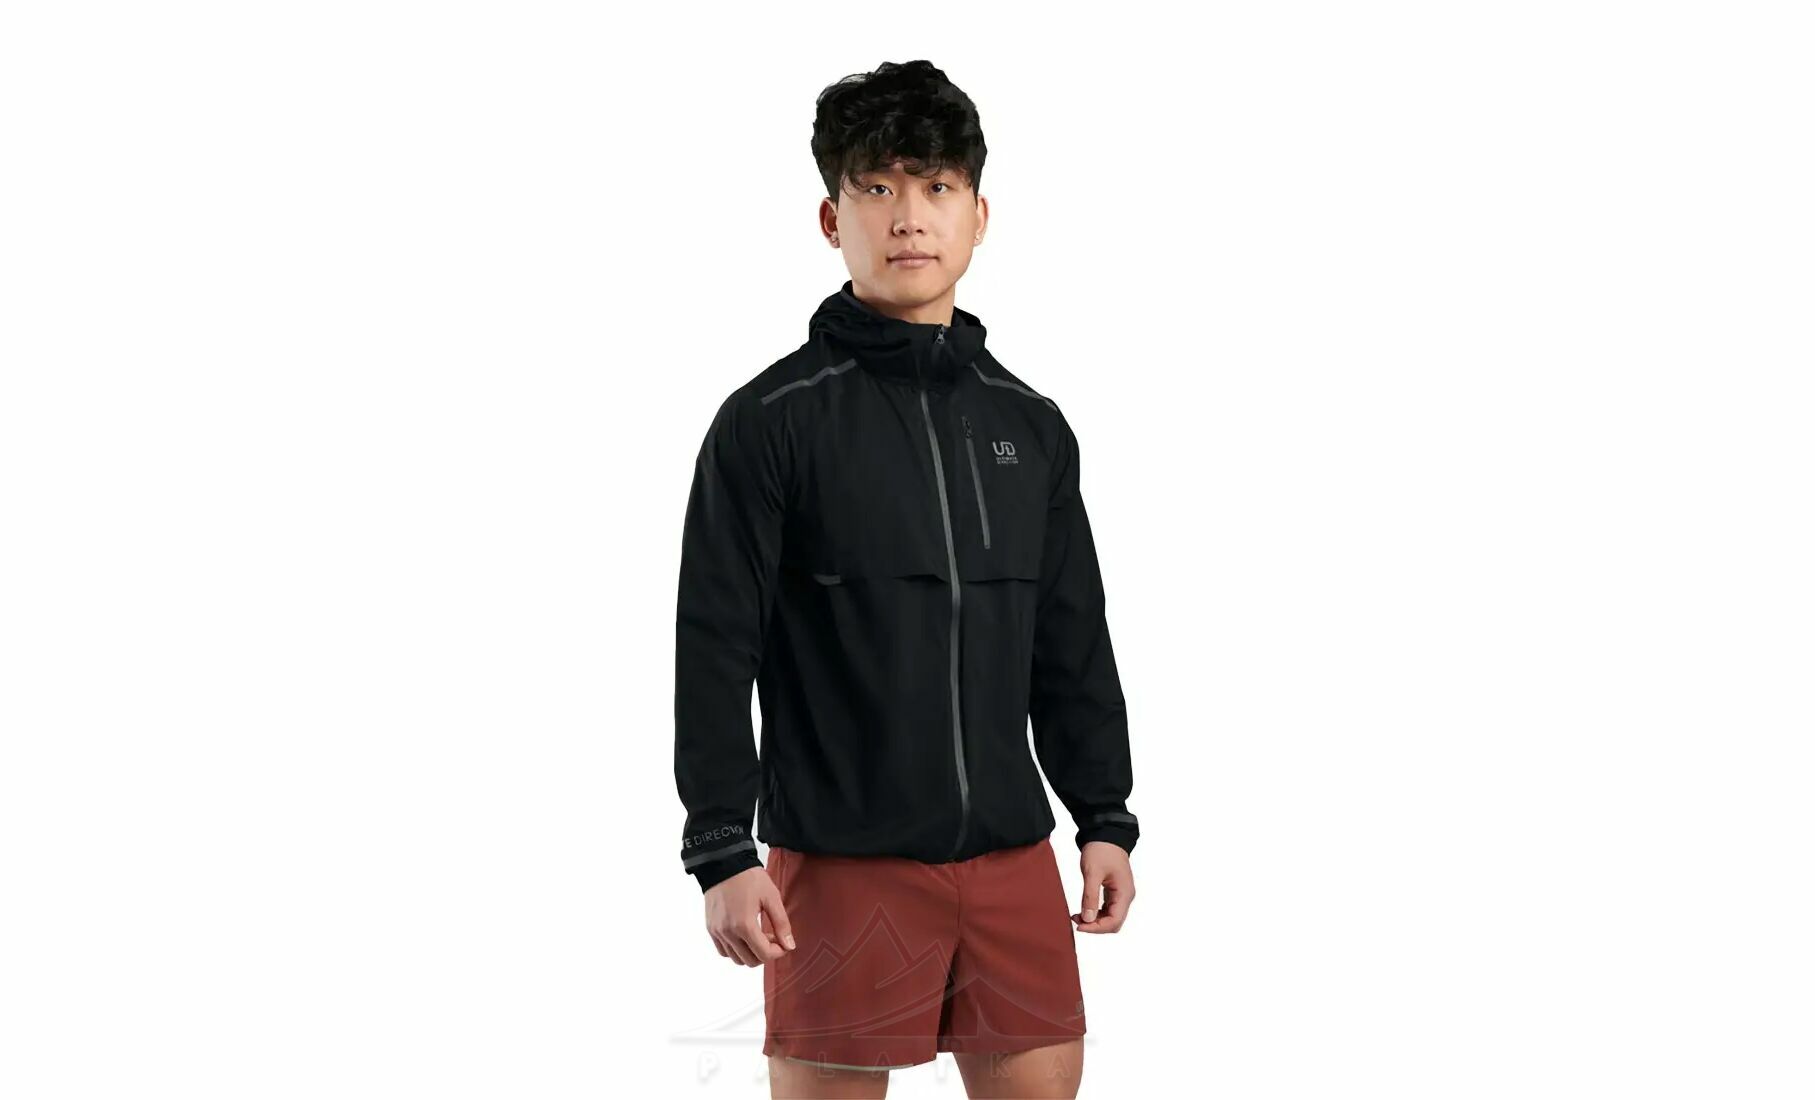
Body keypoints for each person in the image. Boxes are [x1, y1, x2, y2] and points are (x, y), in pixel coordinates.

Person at [673, 59, 1139, 1098]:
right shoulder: (770, 422)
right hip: (841, 864)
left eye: (936, 187)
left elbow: (1070, 640)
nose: (909, 217)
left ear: (979, 215)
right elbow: (713, 644)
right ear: (830, 218)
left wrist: (1103, 814)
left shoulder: (1030, 424)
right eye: (877, 188)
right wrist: (721, 847)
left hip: (1012, 860)